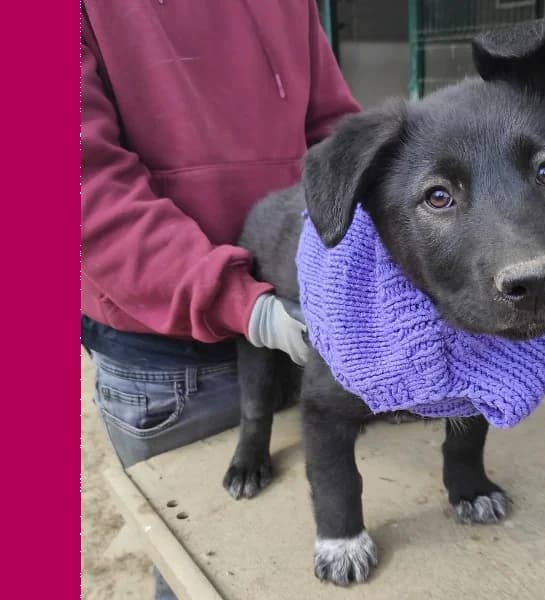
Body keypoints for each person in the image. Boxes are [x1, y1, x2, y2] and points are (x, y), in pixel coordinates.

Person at [80, 2, 360, 597]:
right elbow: (83, 184)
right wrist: (238, 301)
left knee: (303, 565)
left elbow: (334, 133)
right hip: (168, 349)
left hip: (310, 314)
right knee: (203, 569)